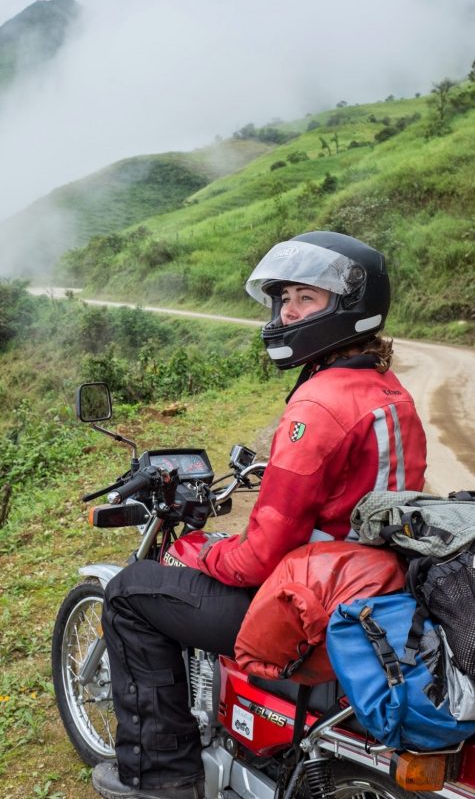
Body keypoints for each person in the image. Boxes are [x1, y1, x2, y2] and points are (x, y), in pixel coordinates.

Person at [92, 230, 427, 799]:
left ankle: (163, 778)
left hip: (313, 611)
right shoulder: (388, 391)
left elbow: (259, 558)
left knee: (130, 594)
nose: (287, 313)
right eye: (284, 299)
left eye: (306, 299)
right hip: (374, 589)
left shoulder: (317, 404)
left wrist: (205, 547)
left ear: (348, 306)